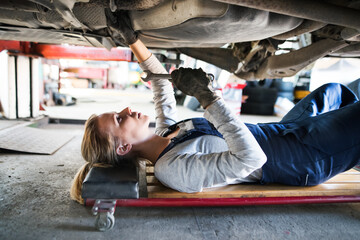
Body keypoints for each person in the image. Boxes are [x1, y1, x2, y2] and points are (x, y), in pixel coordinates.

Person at [70, 16, 360, 204]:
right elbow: (252, 158)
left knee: (333, 90)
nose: (127, 109)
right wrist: (208, 98)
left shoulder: (165, 132)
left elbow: (161, 88)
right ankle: (344, 147)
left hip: (281, 131)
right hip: (299, 158)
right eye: (119, 119)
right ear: (122, 148)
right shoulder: (171, 169)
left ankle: (349, 147)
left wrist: (132, 39)